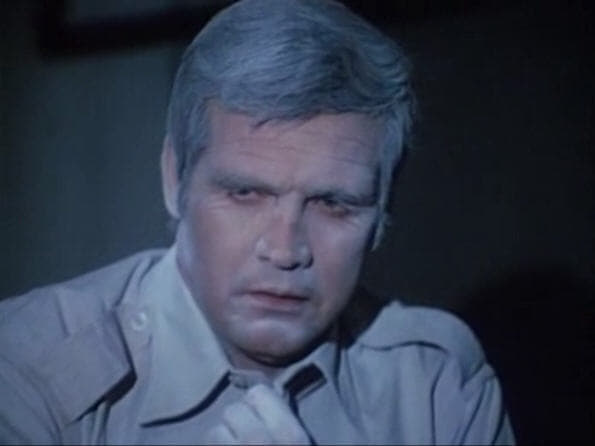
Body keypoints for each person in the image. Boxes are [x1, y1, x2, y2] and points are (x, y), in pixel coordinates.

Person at [0, 0, 515, 444]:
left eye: (333, 203)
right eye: (245, 193)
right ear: (174, 178)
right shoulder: (27, 366)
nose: (285, 250)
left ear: (382, 212)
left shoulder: (435, 382)